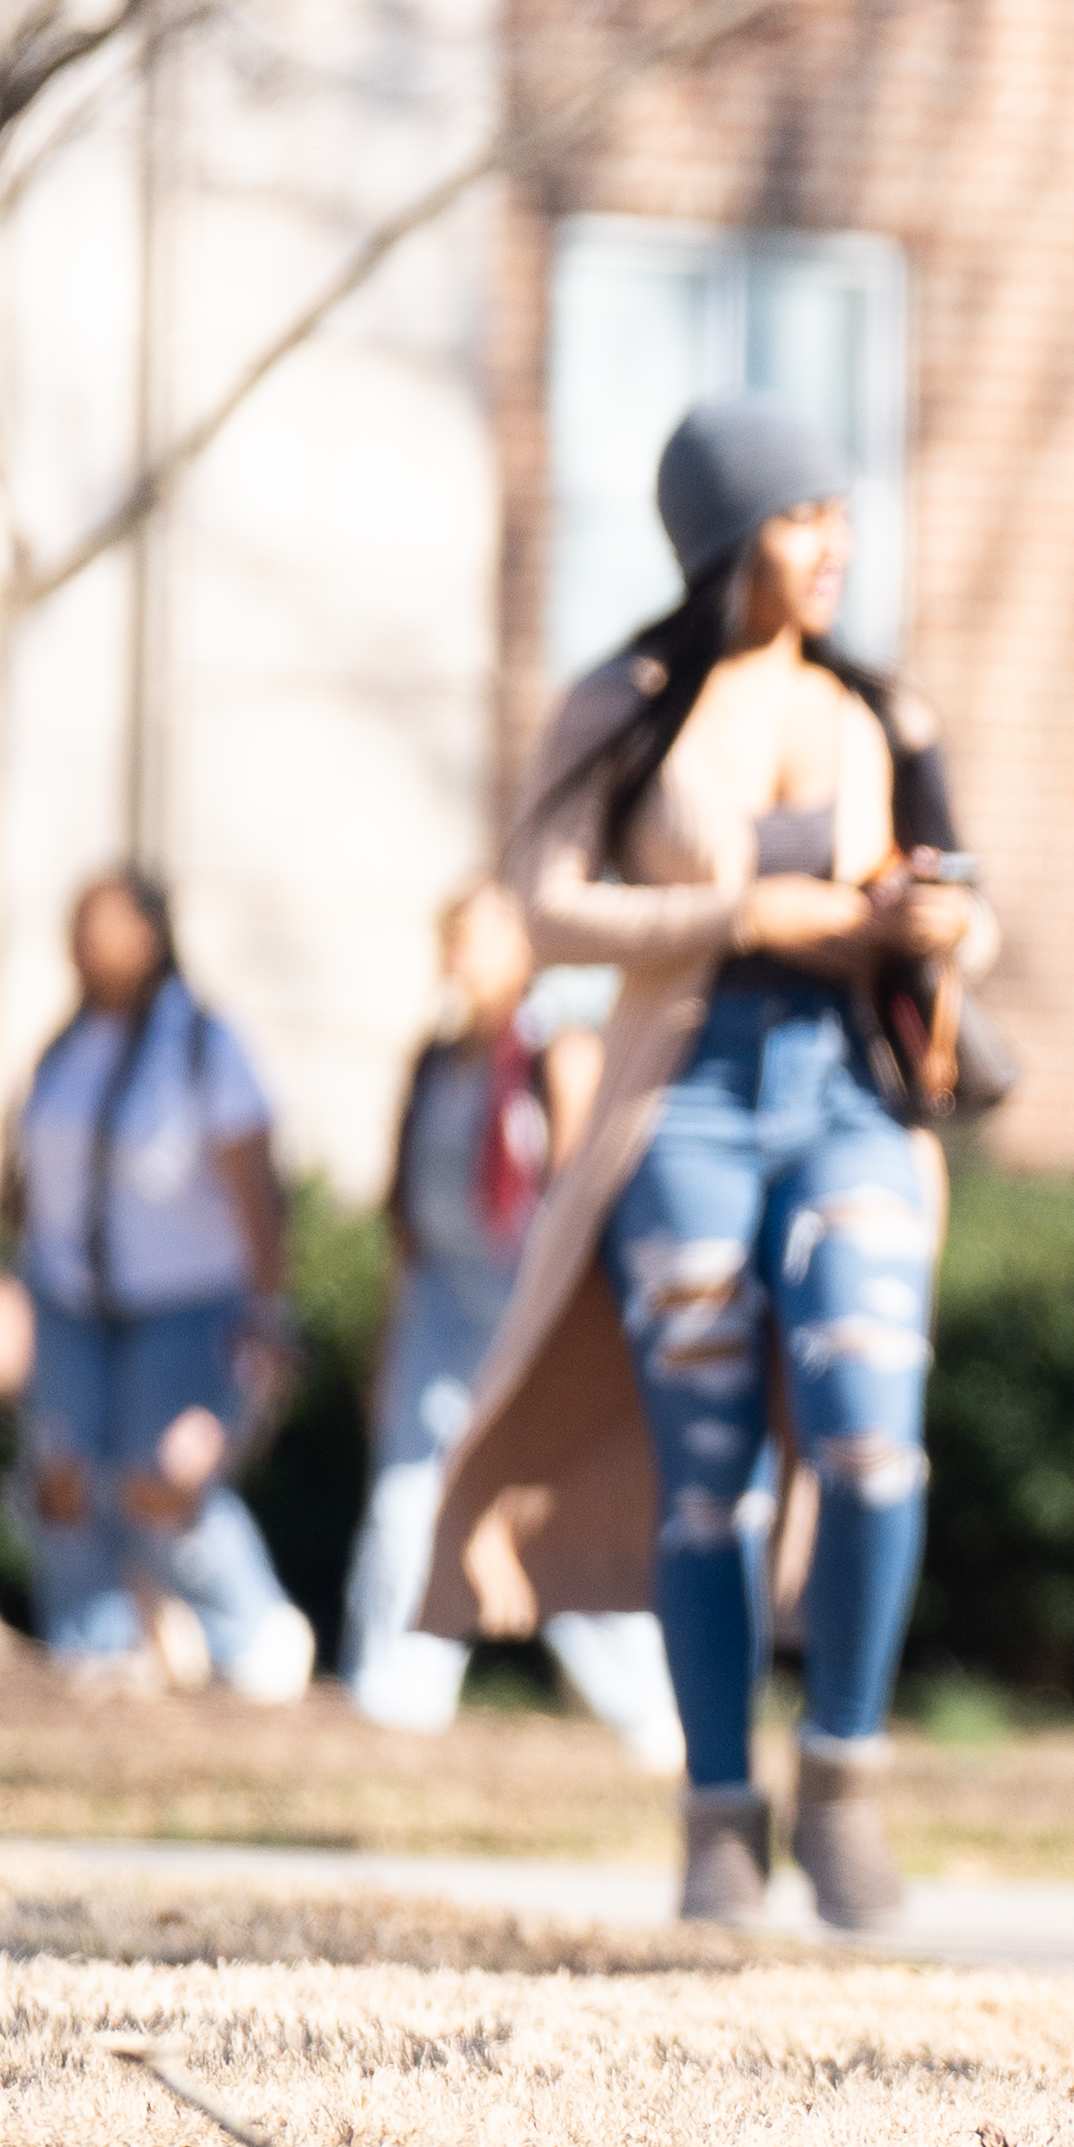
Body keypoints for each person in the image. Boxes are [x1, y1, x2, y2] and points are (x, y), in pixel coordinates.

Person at [418, 397, 986, 1934]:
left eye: (840, 518)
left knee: (876, 1434)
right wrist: (740, 919)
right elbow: (544, 911)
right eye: (804, 520)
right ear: (729, 539)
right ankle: (718, 1815)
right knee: (708, 1476)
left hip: (852, 1097)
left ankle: (846, 1777)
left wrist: (939, 923)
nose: (833, 549)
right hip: (685, 1102)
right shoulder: (631, 702)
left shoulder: (878, 710)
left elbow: (953, 895)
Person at [343, 880, 684, 1767]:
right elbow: (406, 1212)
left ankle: (657, 1718)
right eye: (452, 934)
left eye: (480, 935)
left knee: (544, 1516)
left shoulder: (557, 1055)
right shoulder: (438, 1060)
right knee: (407, 1504)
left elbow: (580, 1204)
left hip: (527, 1313)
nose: (461, 951)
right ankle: (394, 1702)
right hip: (441, 1310)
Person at [0, 869, 318, 1698]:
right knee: (65, 1479)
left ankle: (255, 1629)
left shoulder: (203, 1041)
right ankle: (98, 1648)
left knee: (161, 1479)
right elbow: (29, 1181)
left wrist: (269, 1309)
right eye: (75, 922)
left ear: (151, 932)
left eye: (101, 922)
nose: (81, 940)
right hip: (70, 1297)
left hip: (186, 1299)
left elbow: (255, 1185)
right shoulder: (64, 1046)